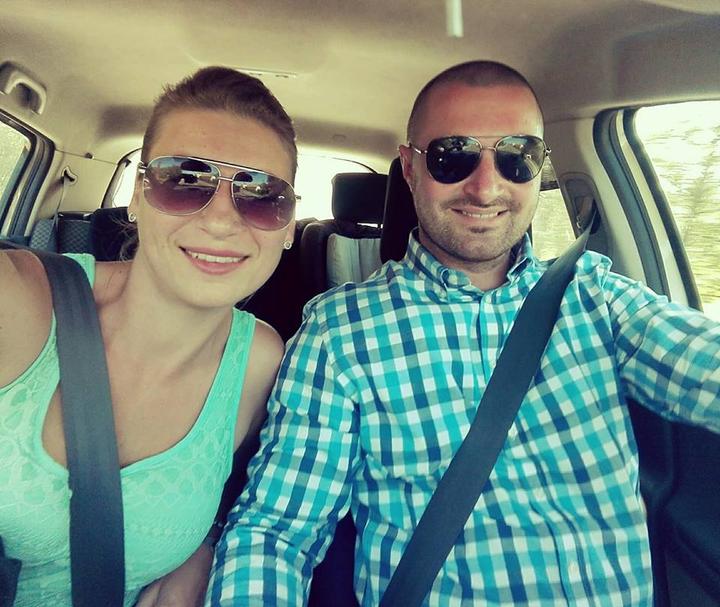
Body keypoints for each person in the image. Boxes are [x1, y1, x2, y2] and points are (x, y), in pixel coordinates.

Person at [208, 61, 720, 606]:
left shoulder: (599, 298)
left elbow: (701, 364)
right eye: (453, 156)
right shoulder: (340, 333)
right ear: (410, 168)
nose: (485, 187)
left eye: (517, 157)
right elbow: (276, 532)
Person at [0, 66, 299, 606]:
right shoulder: (17, 302)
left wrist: (202, 549)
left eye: (262, 194)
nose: (222, 221)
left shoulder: (259, 360)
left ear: (288, 226)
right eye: (184, 180)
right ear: (138, 196)